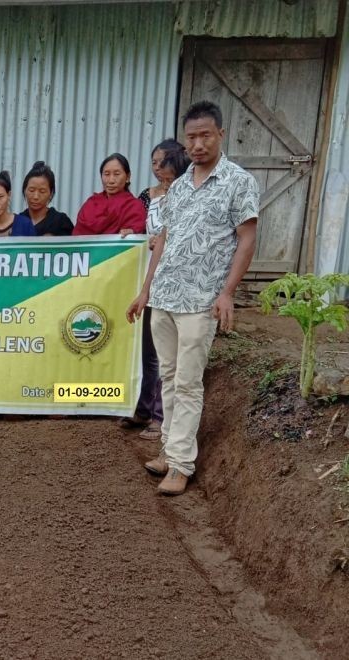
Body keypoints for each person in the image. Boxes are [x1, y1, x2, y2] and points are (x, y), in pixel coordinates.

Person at [127, 100, 259, 496]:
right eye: (191, 138)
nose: (198, 144)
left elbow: (247, 239)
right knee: (168, 376)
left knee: (187, 382)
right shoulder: (181, 185)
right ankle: (169, 449)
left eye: (205, 135)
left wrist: (227, 293)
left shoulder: (238, 181)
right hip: (165, 295)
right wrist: (146, 290)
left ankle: (181, 464)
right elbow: (163, 239)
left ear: (220, 134)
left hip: (201, 300)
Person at [121, 142, 190, 441]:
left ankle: (161, 417)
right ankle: (145, 407)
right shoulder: (148, 197)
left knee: (167, 355)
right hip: (148, 278)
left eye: (165, 165)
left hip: (174, 281)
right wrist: (134, 237)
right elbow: (146, 231)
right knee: (148, 351)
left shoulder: (187, 197)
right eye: (156, 163)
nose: (159, 170)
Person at [73, 153, 146, 236]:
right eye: (106, 174)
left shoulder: (134, 207)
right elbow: (77, 237)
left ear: (128, 177)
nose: (111, 180)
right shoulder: (91, 204)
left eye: (117, 174)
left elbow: (136, 233)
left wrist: (131, 233)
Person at [20, 161, 74, 236]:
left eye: (42, 191)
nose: (36, 196)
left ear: (51, 194)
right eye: (31, 190)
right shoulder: (17, 222)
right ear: (24, 190)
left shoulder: (61, 222)